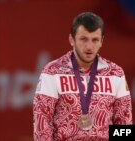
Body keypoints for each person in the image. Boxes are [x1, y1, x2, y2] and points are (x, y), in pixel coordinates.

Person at [33, 12, 133, 141]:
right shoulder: (53, 71)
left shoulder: (115, 73)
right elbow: (42, 121)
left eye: (95, 40)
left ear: (102, 41)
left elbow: (124, 122)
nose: (89, 46)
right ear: (71, 39)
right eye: (83, 39)